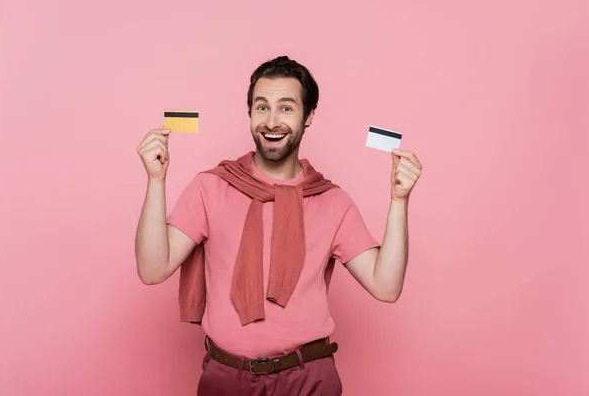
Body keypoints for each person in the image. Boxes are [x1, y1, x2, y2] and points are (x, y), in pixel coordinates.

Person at [135, 56, 423, 395]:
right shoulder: (210, 188)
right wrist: (156, 181)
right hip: (227, 378)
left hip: (309, 379)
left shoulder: (332, 202)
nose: (272, 121)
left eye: (286, 108)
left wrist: (399, 201)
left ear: (308, 116)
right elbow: (152, 269)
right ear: (250, 113)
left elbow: (386, 286)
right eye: (262, 107)